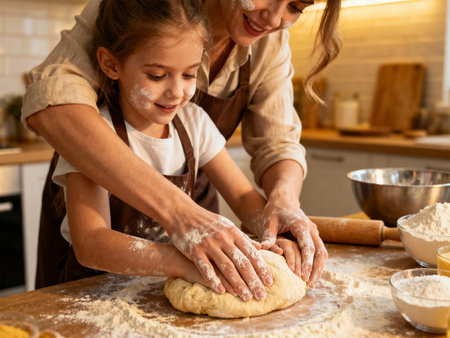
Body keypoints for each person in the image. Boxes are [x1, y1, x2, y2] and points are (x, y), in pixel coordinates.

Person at [22, 0, 342, 295]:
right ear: (110, 64)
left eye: (190, 74)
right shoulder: (97, 135)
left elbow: (250, 191)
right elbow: (91, 242)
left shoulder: (193, 122)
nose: (176, 92)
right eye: (158, 75)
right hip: (97, 294)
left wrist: (274, 230)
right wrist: (183, 256)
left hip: (163, 290)